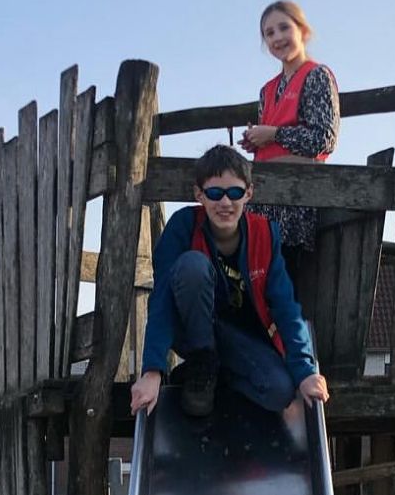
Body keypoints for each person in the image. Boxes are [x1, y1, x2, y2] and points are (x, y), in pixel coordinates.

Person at [128, 143, 329, 420]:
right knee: (192, 266)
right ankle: (201, 364)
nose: (225, 202)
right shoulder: (183, 226)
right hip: (194, 331)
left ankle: (210, 374)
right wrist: (152, 370)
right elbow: (161, 297)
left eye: (234, 192)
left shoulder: (264, 234)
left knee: (279, 390)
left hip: (238, 338)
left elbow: (285, 306)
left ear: (249, 193)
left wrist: (305, 372)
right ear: (200, 195)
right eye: (215, 193)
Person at [241, 0, 340, 264]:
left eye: (284, 28)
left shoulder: (317, 76)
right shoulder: (267, 90)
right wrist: (256, 141)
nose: (277, 38)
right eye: (269, 33)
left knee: (282, 285)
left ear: (303, 31)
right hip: (262, 198)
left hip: (294, 200)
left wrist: (274, 135)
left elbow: (324, 140)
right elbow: (274, 136)